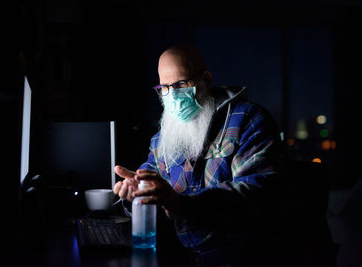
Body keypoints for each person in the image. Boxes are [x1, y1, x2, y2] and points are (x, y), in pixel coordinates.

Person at [113, 44, 284, 265]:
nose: (172, 95)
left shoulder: (248, 120)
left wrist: (180, 203)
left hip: (237, 257)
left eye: (181, 84)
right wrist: (136, 192)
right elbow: (151, 186)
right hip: (177, 256)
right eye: (164, 87)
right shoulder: (162, 138)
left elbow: (256, 193)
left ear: (206, 79)